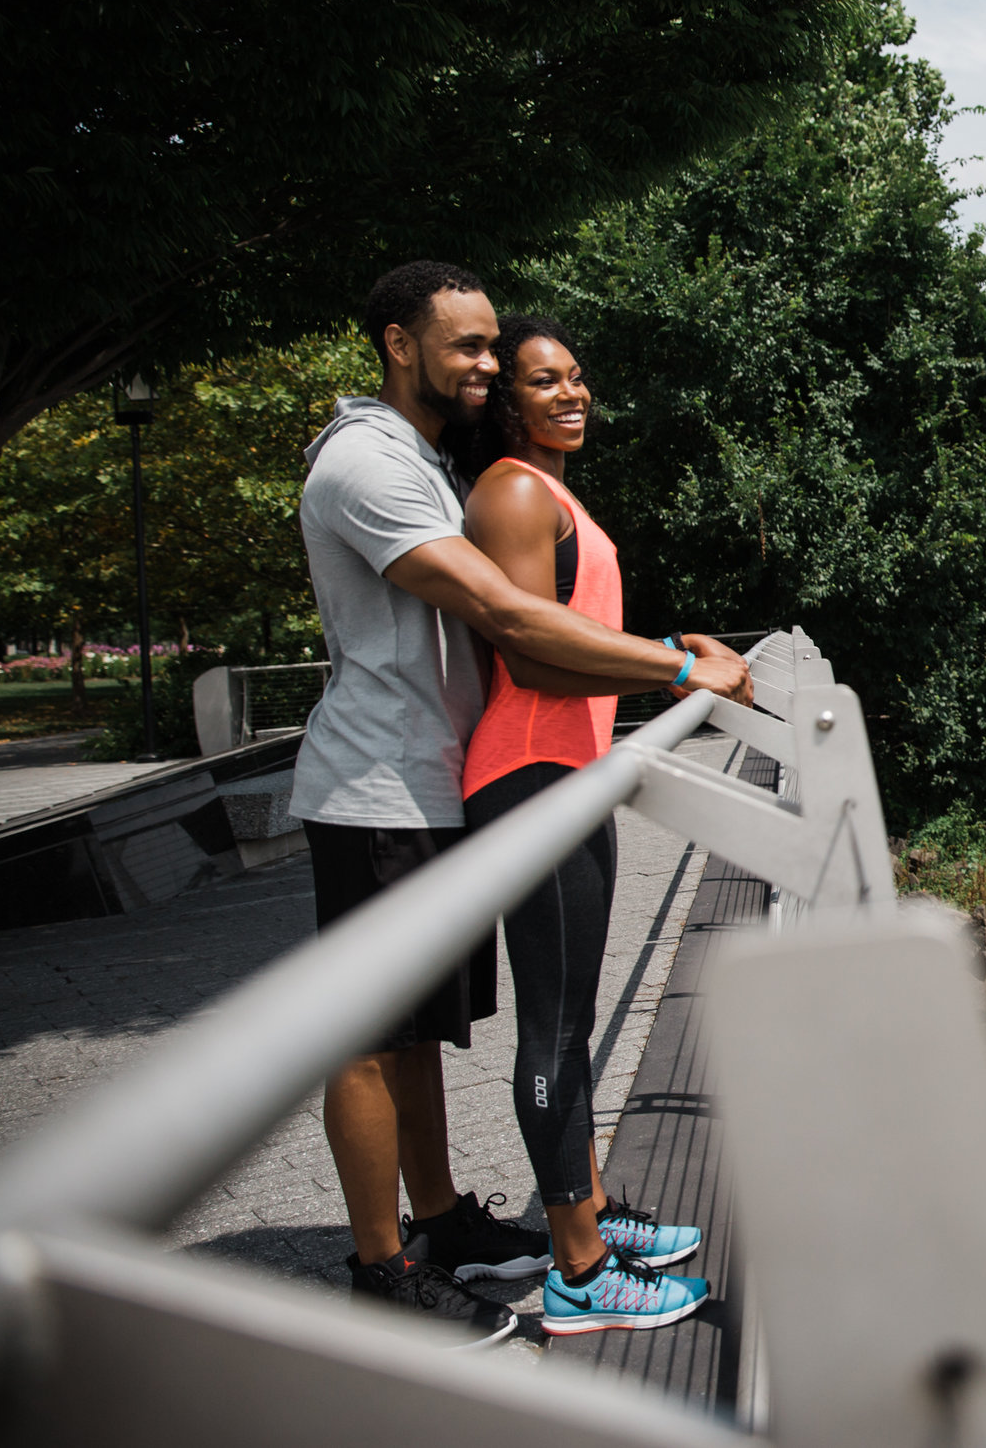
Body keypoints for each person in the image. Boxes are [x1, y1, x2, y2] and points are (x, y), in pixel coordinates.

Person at [294, 261, 752, 1344]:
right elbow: (510, 618)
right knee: (373, 1034)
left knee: (422, 1037)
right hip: (379, 780)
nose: (492, 367)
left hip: (437, 775)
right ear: (399, 341)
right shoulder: (369, 459)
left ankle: (451, 1223)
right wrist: (682, 668)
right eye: (474, 349)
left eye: (505, 349)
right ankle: (397, 1264)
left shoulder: (428, 459)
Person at [458, 313, 709, 1335]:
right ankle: (577, 1272)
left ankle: (593, 1213)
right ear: (506, 401)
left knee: (573, 1011)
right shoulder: (514, 490)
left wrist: (661, 652)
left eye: (577, 378)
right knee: (556, 1024)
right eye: (543, 381)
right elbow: (533, 657)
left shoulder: (549, 487)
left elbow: (580, 642)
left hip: (569, 771)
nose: (571, 394)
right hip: (529, 771)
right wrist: (678, 662)